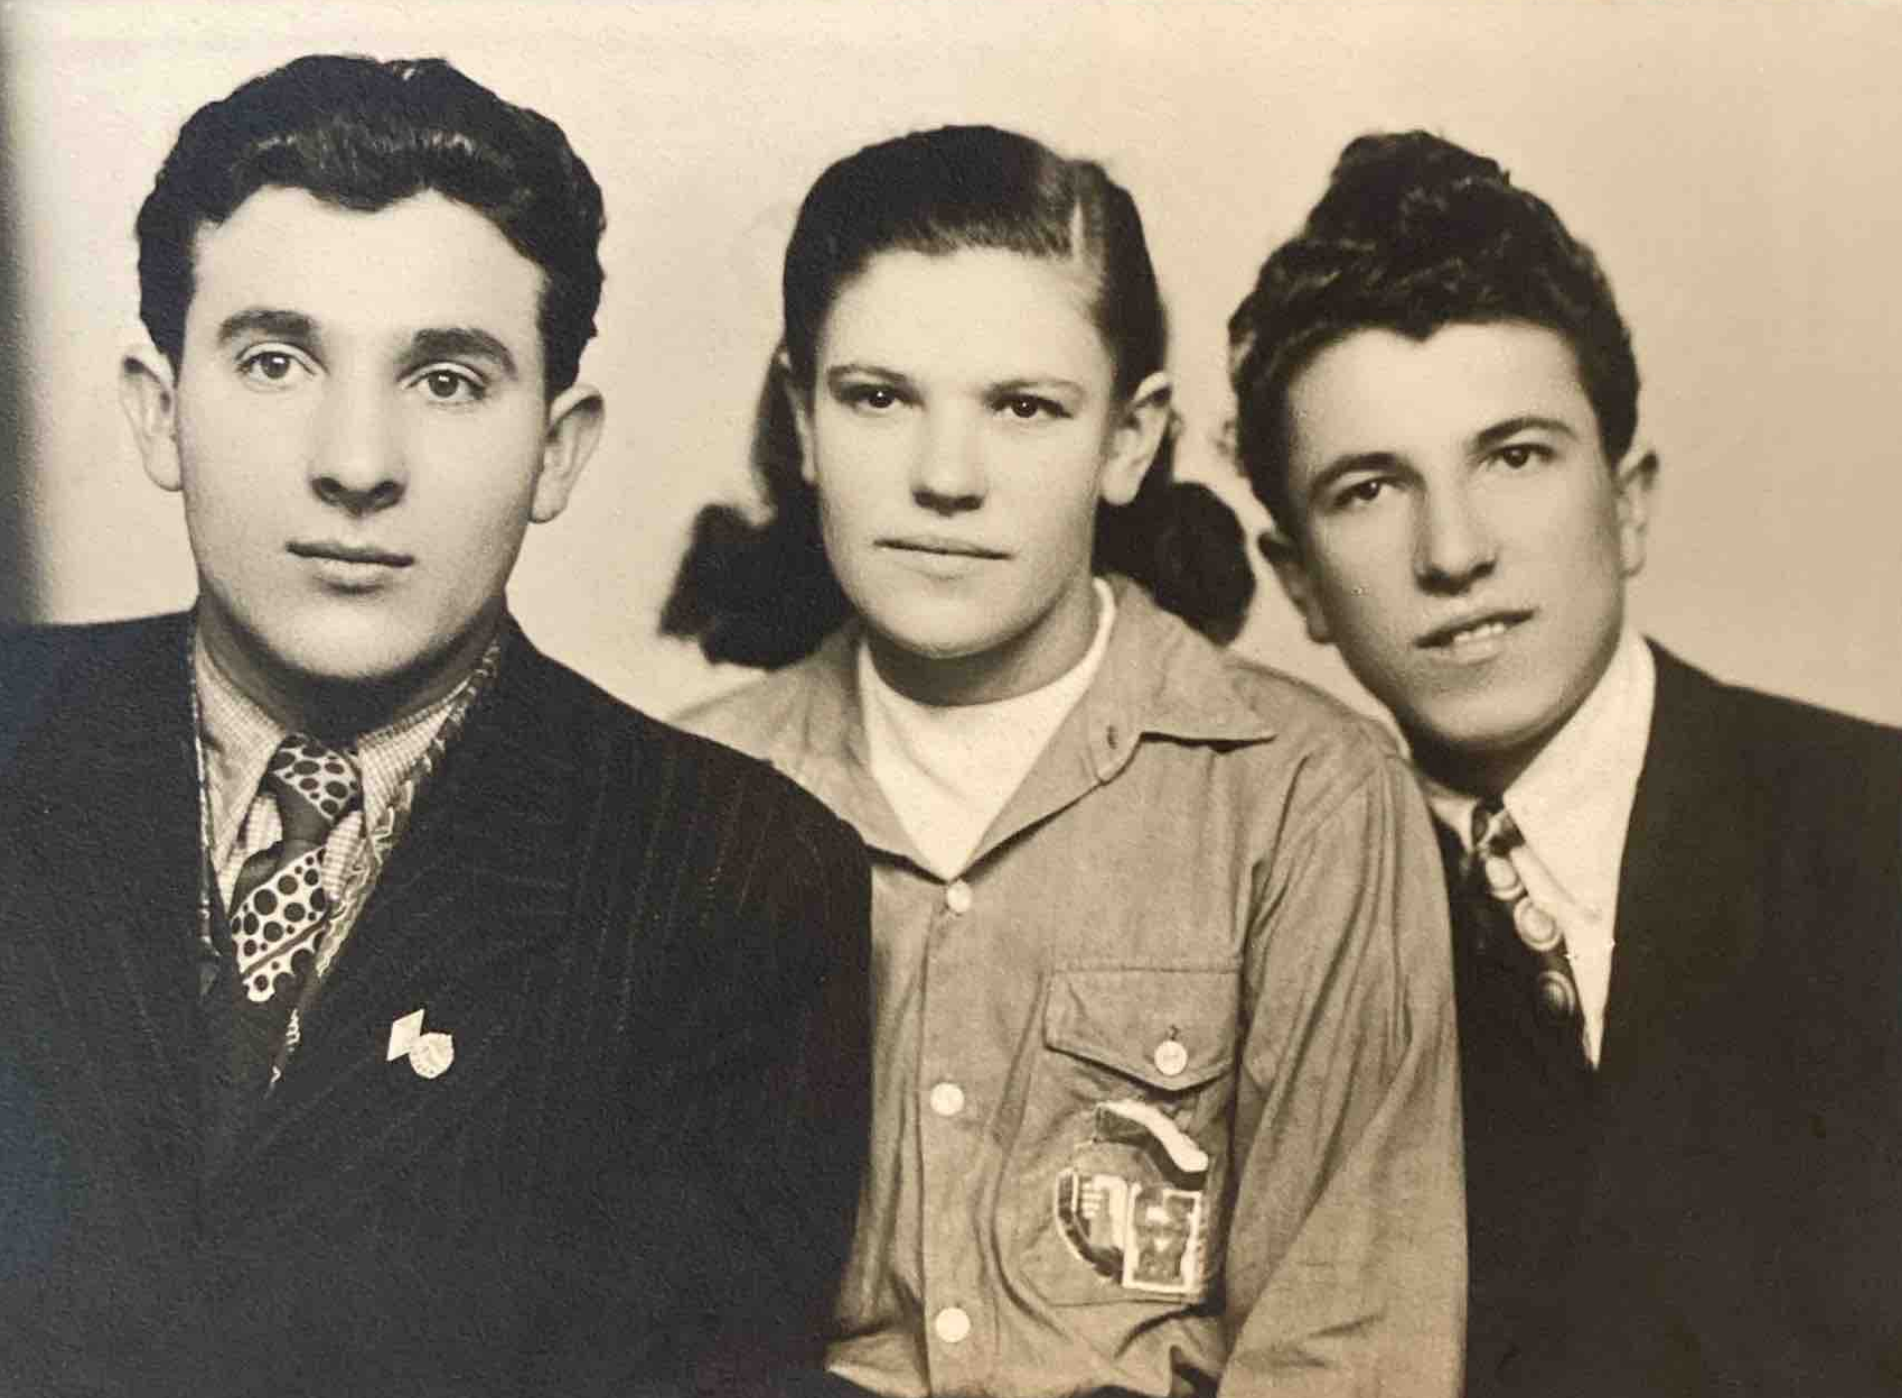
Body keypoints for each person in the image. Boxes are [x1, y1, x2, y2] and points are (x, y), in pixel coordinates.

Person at [0, 54, 872, 1397]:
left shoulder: (735, 881)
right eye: (276, 360)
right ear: (158, 410)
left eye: (447, 379)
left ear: (559, 448)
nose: (356, 463)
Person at [663, 125, 1463, 1398]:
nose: (944, 478)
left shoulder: (1304, 800)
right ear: (801, 417)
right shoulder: (678, 805)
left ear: (1129, 438)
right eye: (878, 398)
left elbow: (1348, 1349)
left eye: (1024, 408)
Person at [1232, 130, 1902, 1397]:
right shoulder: (1276, 916)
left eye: (1514, 456)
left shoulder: (1874, 832)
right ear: (1297, 583)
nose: (1452, 551)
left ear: (1628, 498)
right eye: (1368, 488)